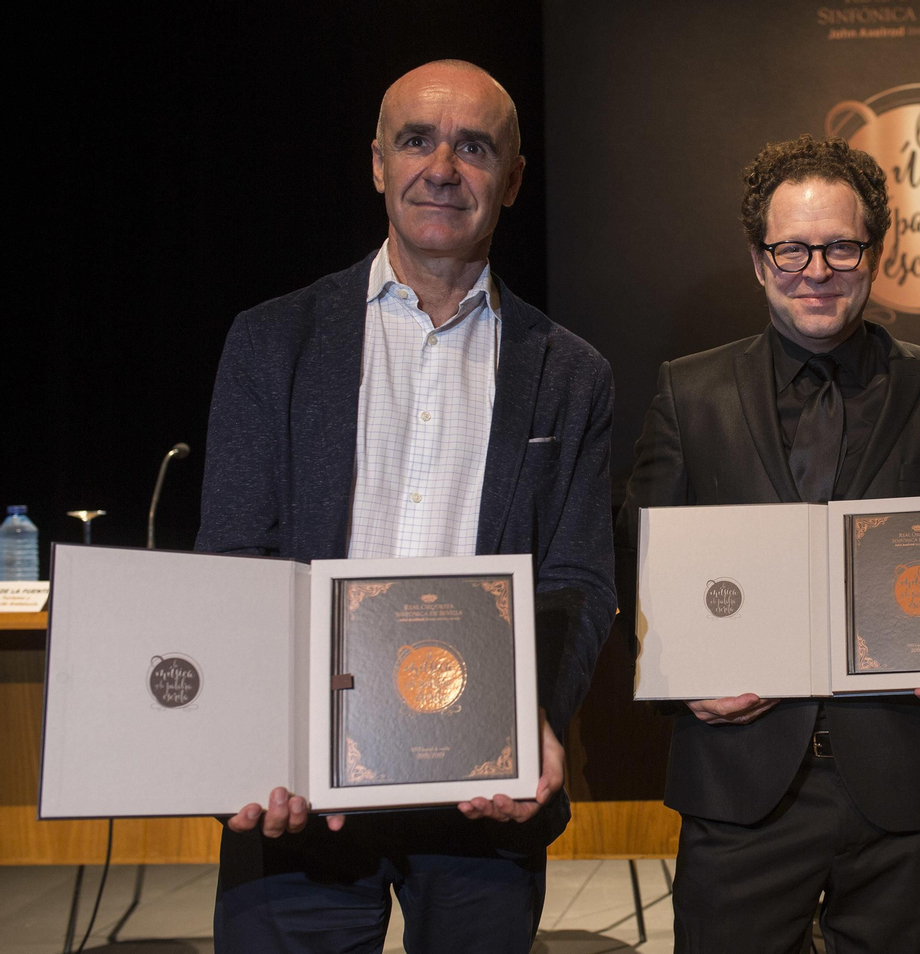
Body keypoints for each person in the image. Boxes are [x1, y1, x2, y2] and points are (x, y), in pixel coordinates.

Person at [195, 60, 615, 953]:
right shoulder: (272, 341)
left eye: (474, 147)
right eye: (417, 140)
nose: (443, 168)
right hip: (303, 798)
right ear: (378, 163)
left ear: (513, 180)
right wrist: (258, 734)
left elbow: (580, 577)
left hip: (484, 799)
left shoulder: (572, 373)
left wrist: (535, 719)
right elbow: (234, 555)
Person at [619, 135, 920, 953]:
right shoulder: (689, 391)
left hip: (905, 762)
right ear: (758, 259)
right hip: (740, 771)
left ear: (874, 253)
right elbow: (640, 554)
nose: (817, 268)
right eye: (792, 248)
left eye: (841, 245)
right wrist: (679, 679)